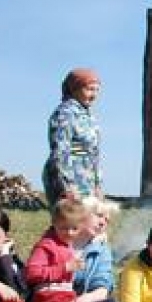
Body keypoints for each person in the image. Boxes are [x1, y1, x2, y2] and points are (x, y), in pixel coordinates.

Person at [42, 68, 103, 206]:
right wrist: (67, 186)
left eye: (97, 90)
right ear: (75, 89)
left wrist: (97, 184)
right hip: (70, 179)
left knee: (87, 224)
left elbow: (93, 153)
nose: (94, 95)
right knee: (70, 224)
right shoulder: (65, 114)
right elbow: (60, 152)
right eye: (89, 89)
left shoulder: (87, 115)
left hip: (86, 179)